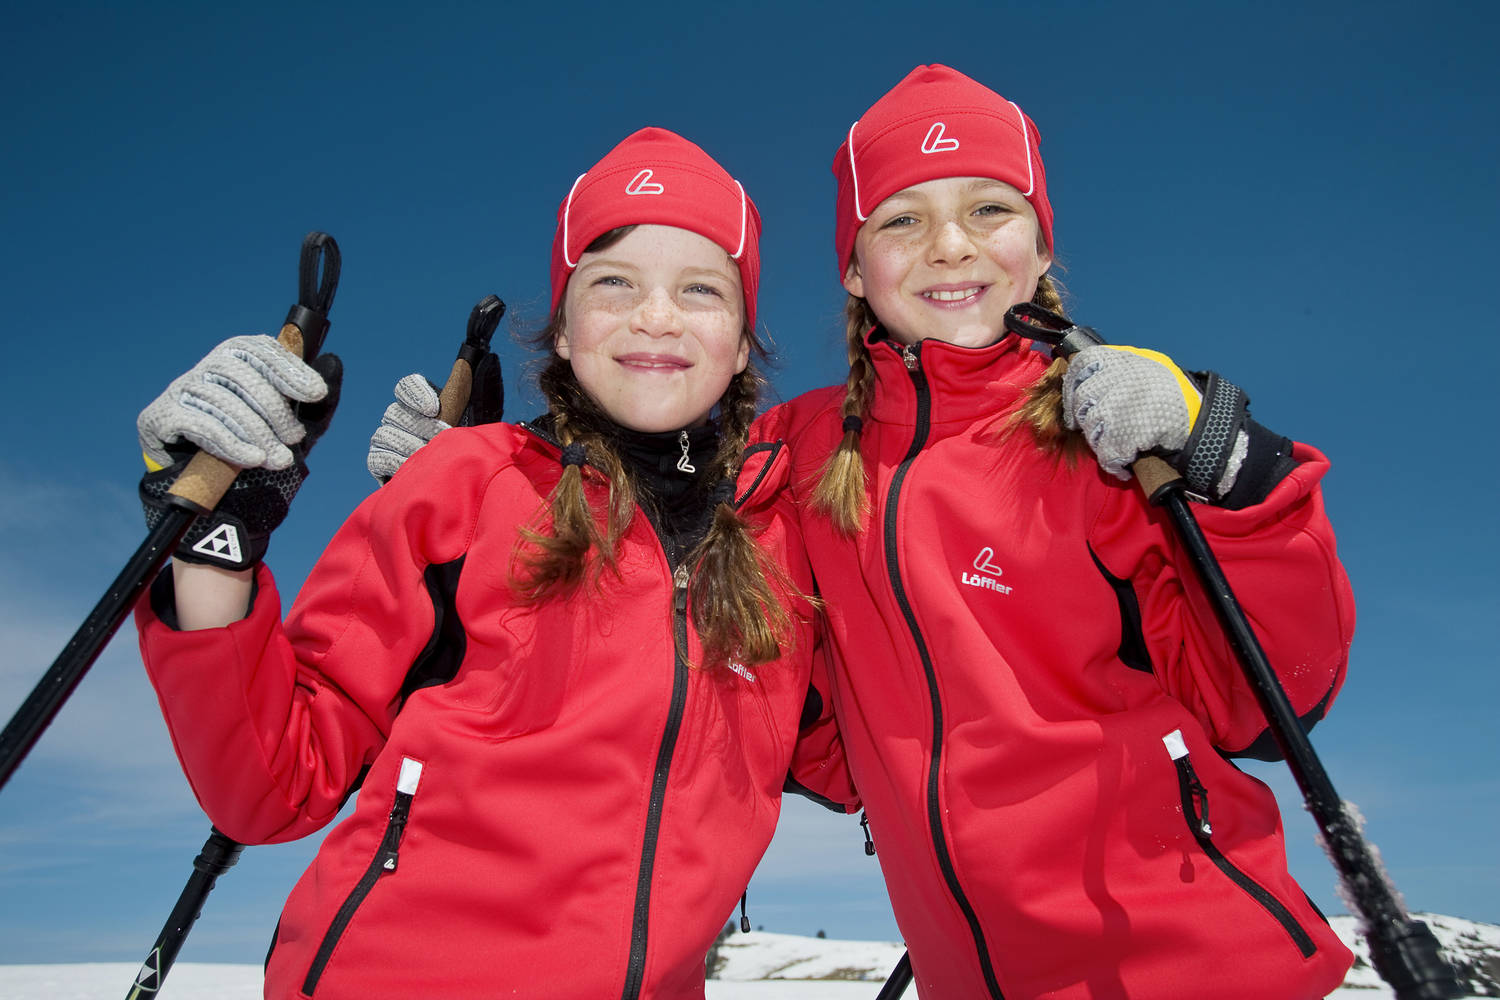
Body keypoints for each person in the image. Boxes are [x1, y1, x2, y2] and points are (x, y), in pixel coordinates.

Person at [132, 127, 849, 999]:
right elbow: (273, 783)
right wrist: (216, 542)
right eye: (613, 282)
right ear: (564, 329)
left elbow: (875, 758)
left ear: (740, 343)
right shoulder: (468, 482)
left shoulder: (783, 547)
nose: (656, 315)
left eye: (701, 288)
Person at [752, 64, 1357, 998]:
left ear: (1040, 246)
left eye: (989, 209)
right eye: (902, 220)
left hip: (1196, 964)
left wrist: (1223, 457)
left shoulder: (1112, 423)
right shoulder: (794, 453)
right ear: (854, 268)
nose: (950, 245)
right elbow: (668, 545)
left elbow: (1264, 703)